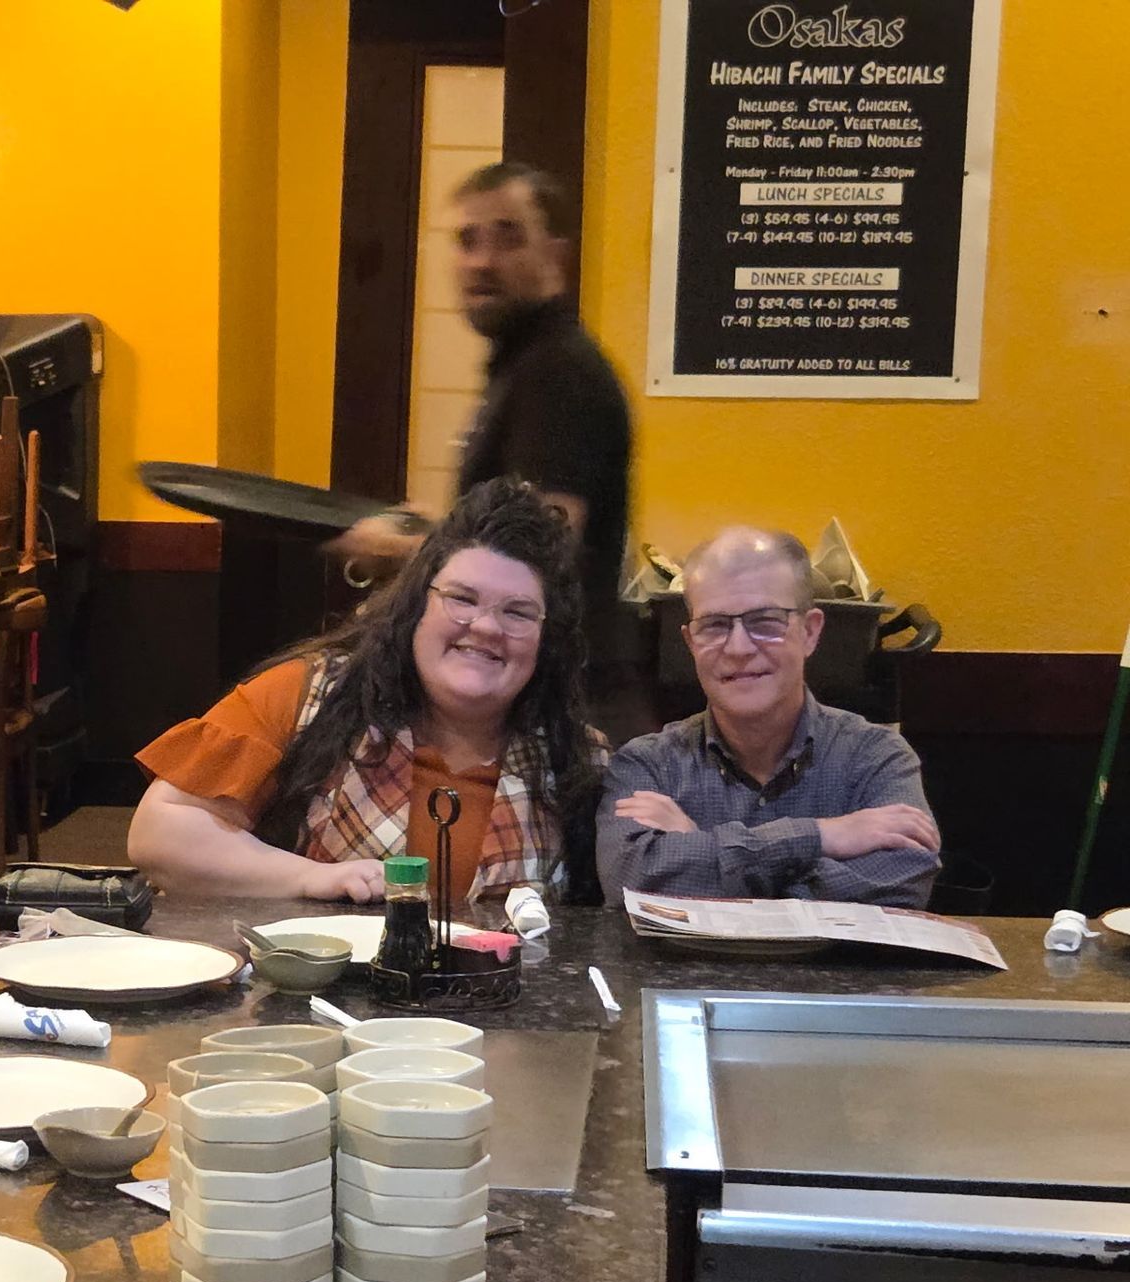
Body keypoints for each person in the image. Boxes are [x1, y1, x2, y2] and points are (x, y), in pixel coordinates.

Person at [128, 479, 608, 910]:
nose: (484, 627)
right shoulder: (307, 696)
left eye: (518, 613)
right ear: (418, 603)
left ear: (548, 640)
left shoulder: (580, 761)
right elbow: (160, 834)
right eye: (462, 599)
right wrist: (312, 878)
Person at [335, 161, 638, 738]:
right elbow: (499, 518)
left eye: (508, 237)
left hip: (563, 710)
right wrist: (427, 524)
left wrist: (402, 550)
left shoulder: (559, 373)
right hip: (534, 693)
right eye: (467, 241)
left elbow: (540, 545)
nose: (481, 261)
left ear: (557, 253)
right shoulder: (524, 364)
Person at [596, 527, 941, 906]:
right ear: (690, 643)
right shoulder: (647, 765)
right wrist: (820, 836)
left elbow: (903, 883)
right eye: (714, 625)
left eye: (765, 621)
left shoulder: (876, 756)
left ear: (810, 632)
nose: (739, 647)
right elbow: (631, 878)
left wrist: (702, 846)